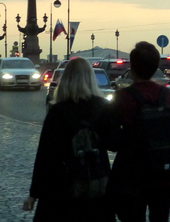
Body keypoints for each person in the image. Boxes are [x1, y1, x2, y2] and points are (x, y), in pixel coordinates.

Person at [23, 57, 114, 221]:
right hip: (96, 186)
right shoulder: (103, 108)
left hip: (62, 189)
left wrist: (34, 193)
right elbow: (114, 143)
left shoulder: (58, 112)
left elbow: (45, 156)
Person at [108, 41, 170, 222]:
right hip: (162, 172)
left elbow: (112, 140)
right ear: (156, 67)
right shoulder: (168, 96)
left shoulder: (123, 97)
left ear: (132, 67)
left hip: (131, 173)